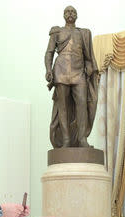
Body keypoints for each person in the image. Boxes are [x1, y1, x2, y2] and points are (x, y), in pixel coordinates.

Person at [45, 5, 99, 148]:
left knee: (82, 103)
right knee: (63, 107)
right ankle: (66, 139)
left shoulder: (83, 33)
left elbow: (88, 56)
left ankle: (82, 139)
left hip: (79, 72)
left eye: (73, 12)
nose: (70, 13)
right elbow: (49, 52)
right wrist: (48, 69)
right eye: (67, 12)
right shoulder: (57, 32)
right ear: (64, 15)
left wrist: (89, 66)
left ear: (76, 15)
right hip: (61, 71)